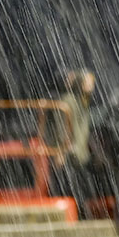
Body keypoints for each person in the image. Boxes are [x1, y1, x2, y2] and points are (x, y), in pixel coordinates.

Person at [51, 69, 95, 216]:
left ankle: (81, 215)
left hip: (79, 152)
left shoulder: (84, 101)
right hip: (69, 152)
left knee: (79, 186)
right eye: (88, 82)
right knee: (68, 186)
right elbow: (61, 126)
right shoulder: (68, 100)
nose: (91, 86)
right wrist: (61, 150)